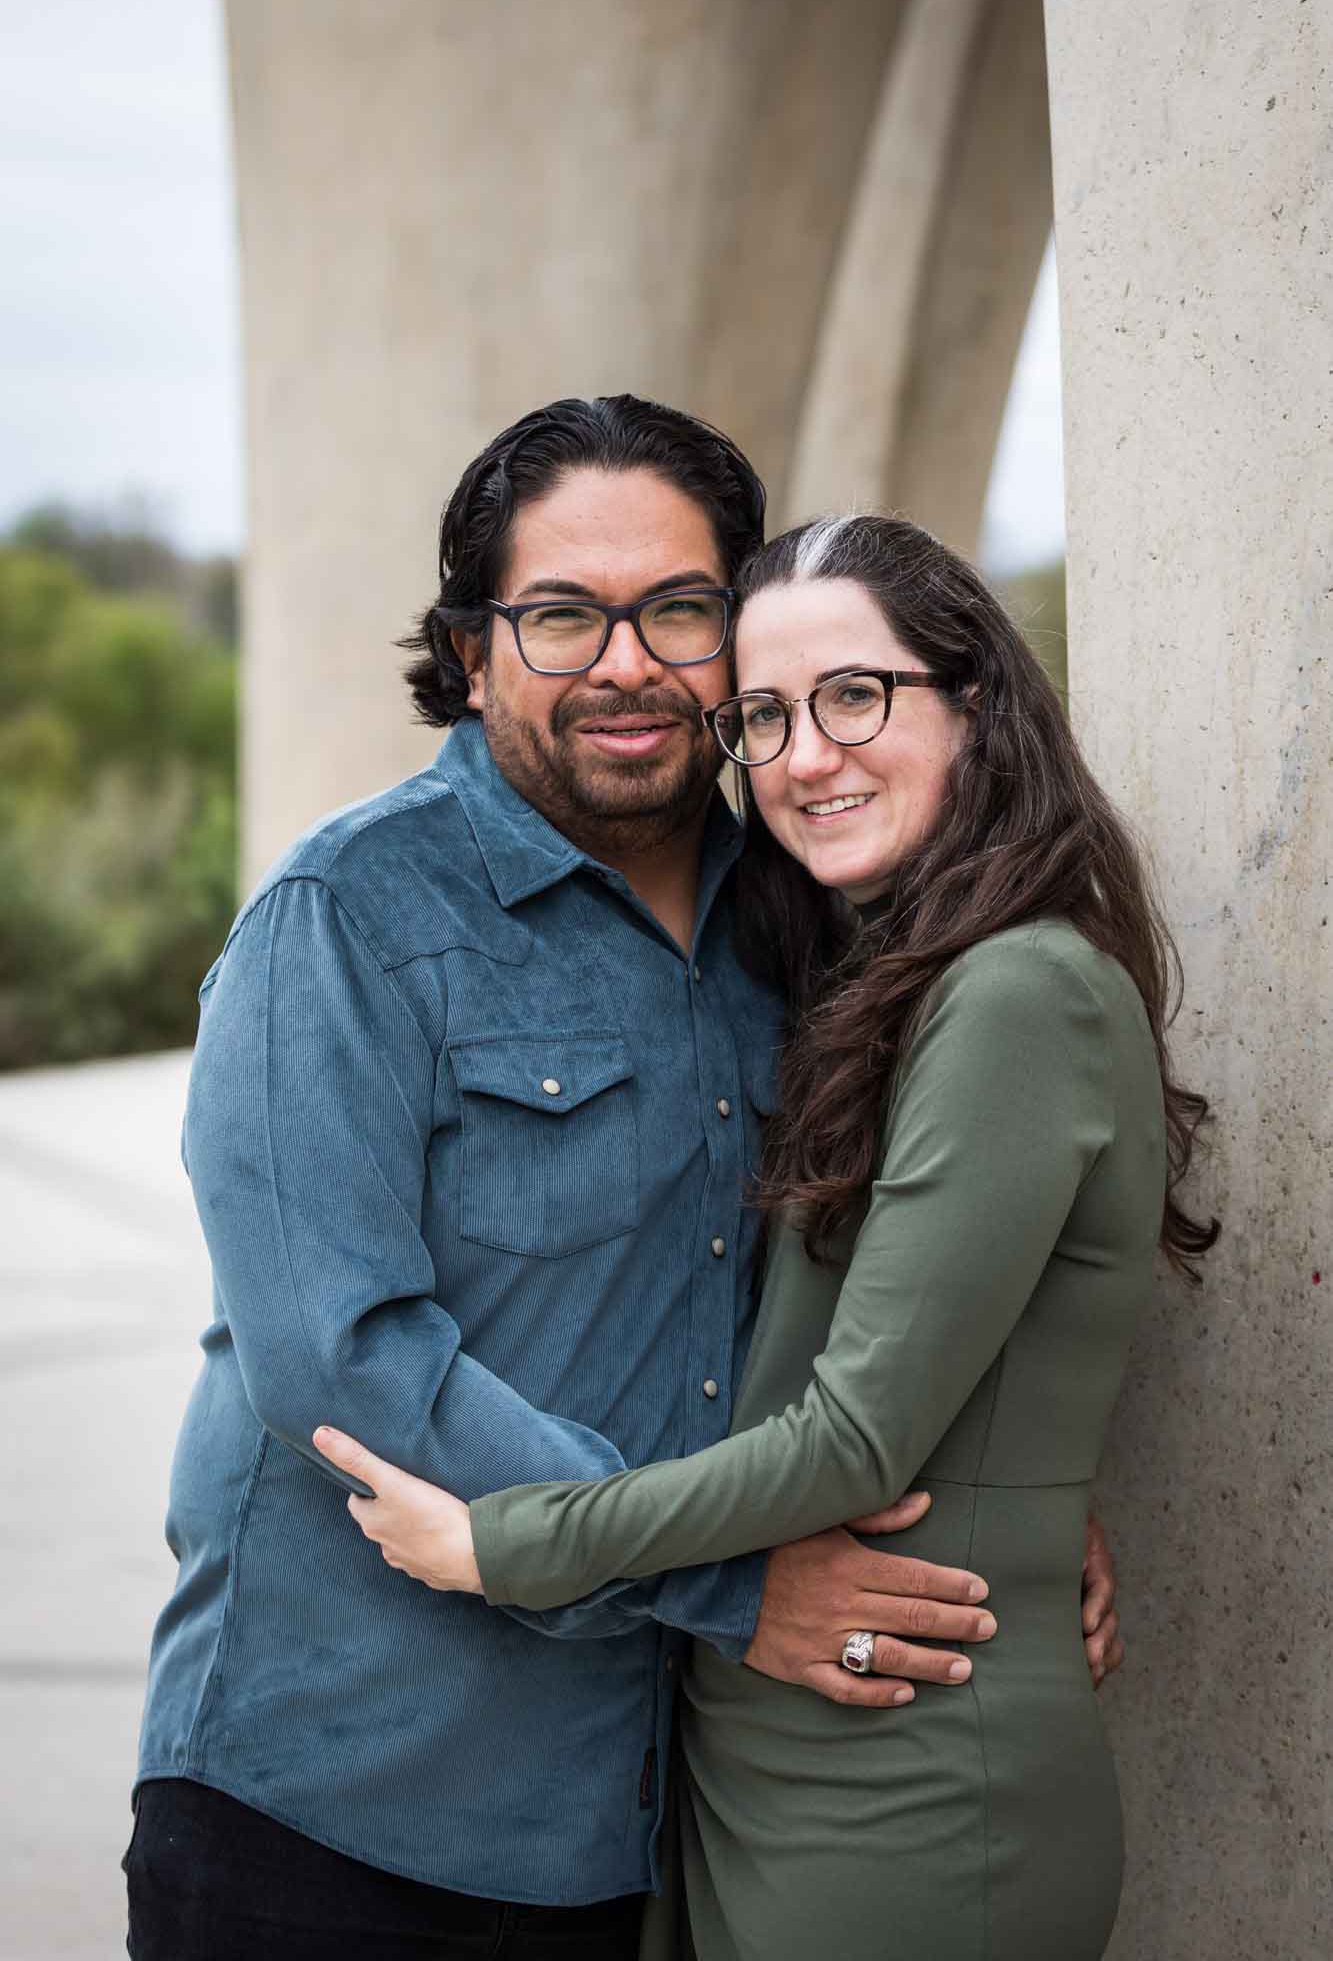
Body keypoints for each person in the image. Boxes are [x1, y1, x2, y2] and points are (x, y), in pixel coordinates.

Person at [126, 398, 1120, 1960]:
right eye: (559, 616)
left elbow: (876, 1290)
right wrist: (738, 1587)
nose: (627, 663)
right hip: (345, 1807)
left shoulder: (811, 932)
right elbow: (341, 1361)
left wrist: (1004, 1481)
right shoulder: (348, 918)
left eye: (679, 609)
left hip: (649, 1830)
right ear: (471, 654)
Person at [313, 509, 1216, 1961]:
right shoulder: (881, 987)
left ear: (977, 701)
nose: (805, 757)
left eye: (856, 694)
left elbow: (853, 1441)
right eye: (765, 716)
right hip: (757, 1773)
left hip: (904, 1800)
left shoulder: (1017, 994)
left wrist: (507, 1540)